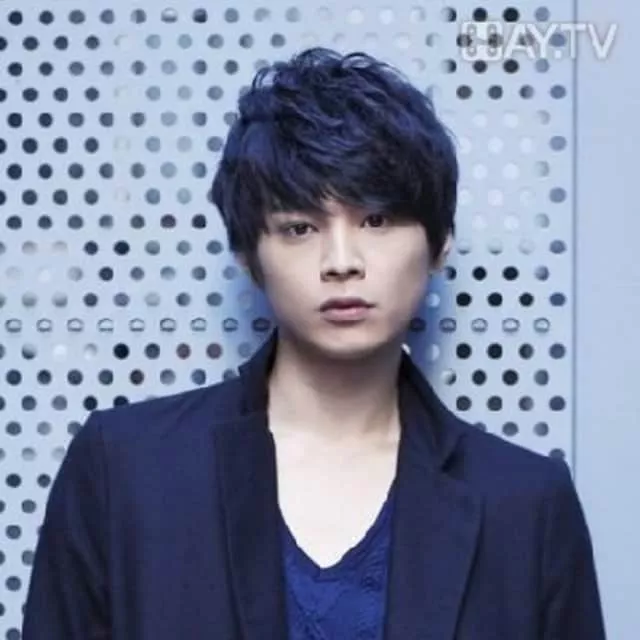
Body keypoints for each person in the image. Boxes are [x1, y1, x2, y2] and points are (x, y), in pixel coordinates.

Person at [22, 48, 605, 639]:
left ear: (439, 242)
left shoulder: (526, 504)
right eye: (300, 227)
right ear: (249, 255)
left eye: (377, 220)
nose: (341, 262)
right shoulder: (125, 470)